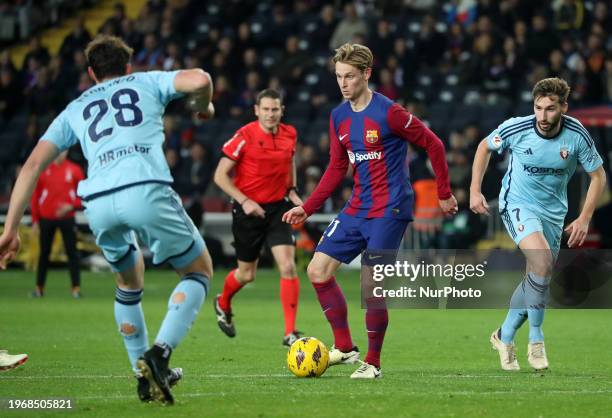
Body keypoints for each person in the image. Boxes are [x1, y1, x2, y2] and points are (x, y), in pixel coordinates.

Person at [0, 35, 216, 404]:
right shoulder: (146, 80)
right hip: (145, 188)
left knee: (128, 282)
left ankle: (142, 377)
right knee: (198, 271)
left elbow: (33, 164)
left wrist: (10, 230)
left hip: (97, 201)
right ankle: (160, 355)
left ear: (90, 73)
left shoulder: (76, 107)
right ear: (127, 67)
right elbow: (199, 79)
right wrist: (203, 107)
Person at [283, 43, 457, 379]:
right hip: (358, 207)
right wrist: (307, 207)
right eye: (338, 77)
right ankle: (345, 347)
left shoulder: (389, 113)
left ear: (366, 74)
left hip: (391, 208)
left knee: (372, 285)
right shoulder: (339, 116)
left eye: (349, 76)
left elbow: (433, 143)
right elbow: (336, 168)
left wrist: (444, 193)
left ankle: (373, 363)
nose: (343, 83)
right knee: (318, 270)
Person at [470, 77, 606, 371]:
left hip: (554, 214)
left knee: (538, 277)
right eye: (538, 108)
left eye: (551, 109)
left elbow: (598, 176)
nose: (543, 116)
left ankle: (504, 335)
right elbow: (484, 147)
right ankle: (536, 339)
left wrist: (584, 217)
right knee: (542, 263)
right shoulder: (517, 128)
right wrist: (474, 190)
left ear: (564, 108)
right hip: (517, 204)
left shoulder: (577, 135)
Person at [213, 88, 303, 346]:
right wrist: (245, 200)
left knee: (287, 266)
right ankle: (223, 302)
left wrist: (292, 190)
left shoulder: (290, 134)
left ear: (281, 110)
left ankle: (290, 332)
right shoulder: (244, 136)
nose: (270, 114)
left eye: (275, 109)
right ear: (256, 110)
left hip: (277, 209)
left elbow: (290, 161)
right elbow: (220, 176)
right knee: (247, 274)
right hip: (247, 211)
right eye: (265, 109)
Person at [30, 150, 85, 298]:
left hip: (67, 218)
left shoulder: (75, 169)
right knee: (44, 254)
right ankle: (39, 288)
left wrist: (71, 206)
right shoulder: (43, 169)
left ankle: (76, 289)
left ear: (67, 152)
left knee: (72, 253)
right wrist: (35, 220)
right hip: (46, 218)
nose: (61, 153)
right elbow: (35, 196)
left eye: (64, 150)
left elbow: (84, 195)